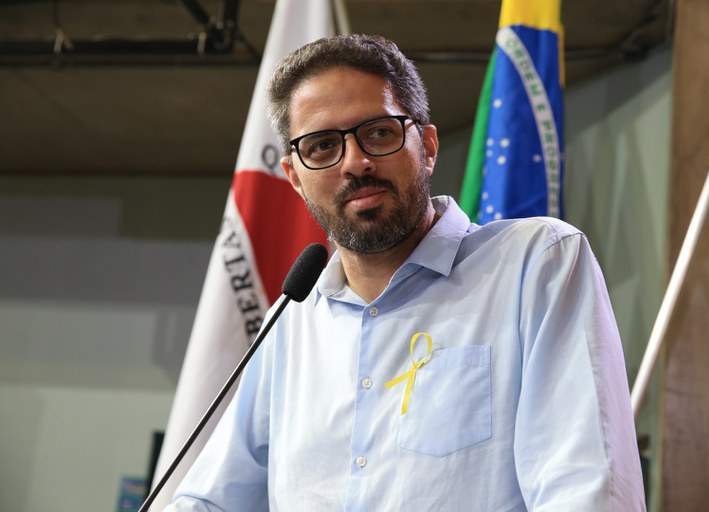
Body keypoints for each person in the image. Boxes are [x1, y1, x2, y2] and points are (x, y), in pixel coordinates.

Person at [166, 34, 646, 511]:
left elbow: (587, 491)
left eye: (379, 132)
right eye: (322, 146)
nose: (355, 162)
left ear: (428, 147)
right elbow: (211, 501)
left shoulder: (535, 263)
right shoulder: (290, 322)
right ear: (295, 177)